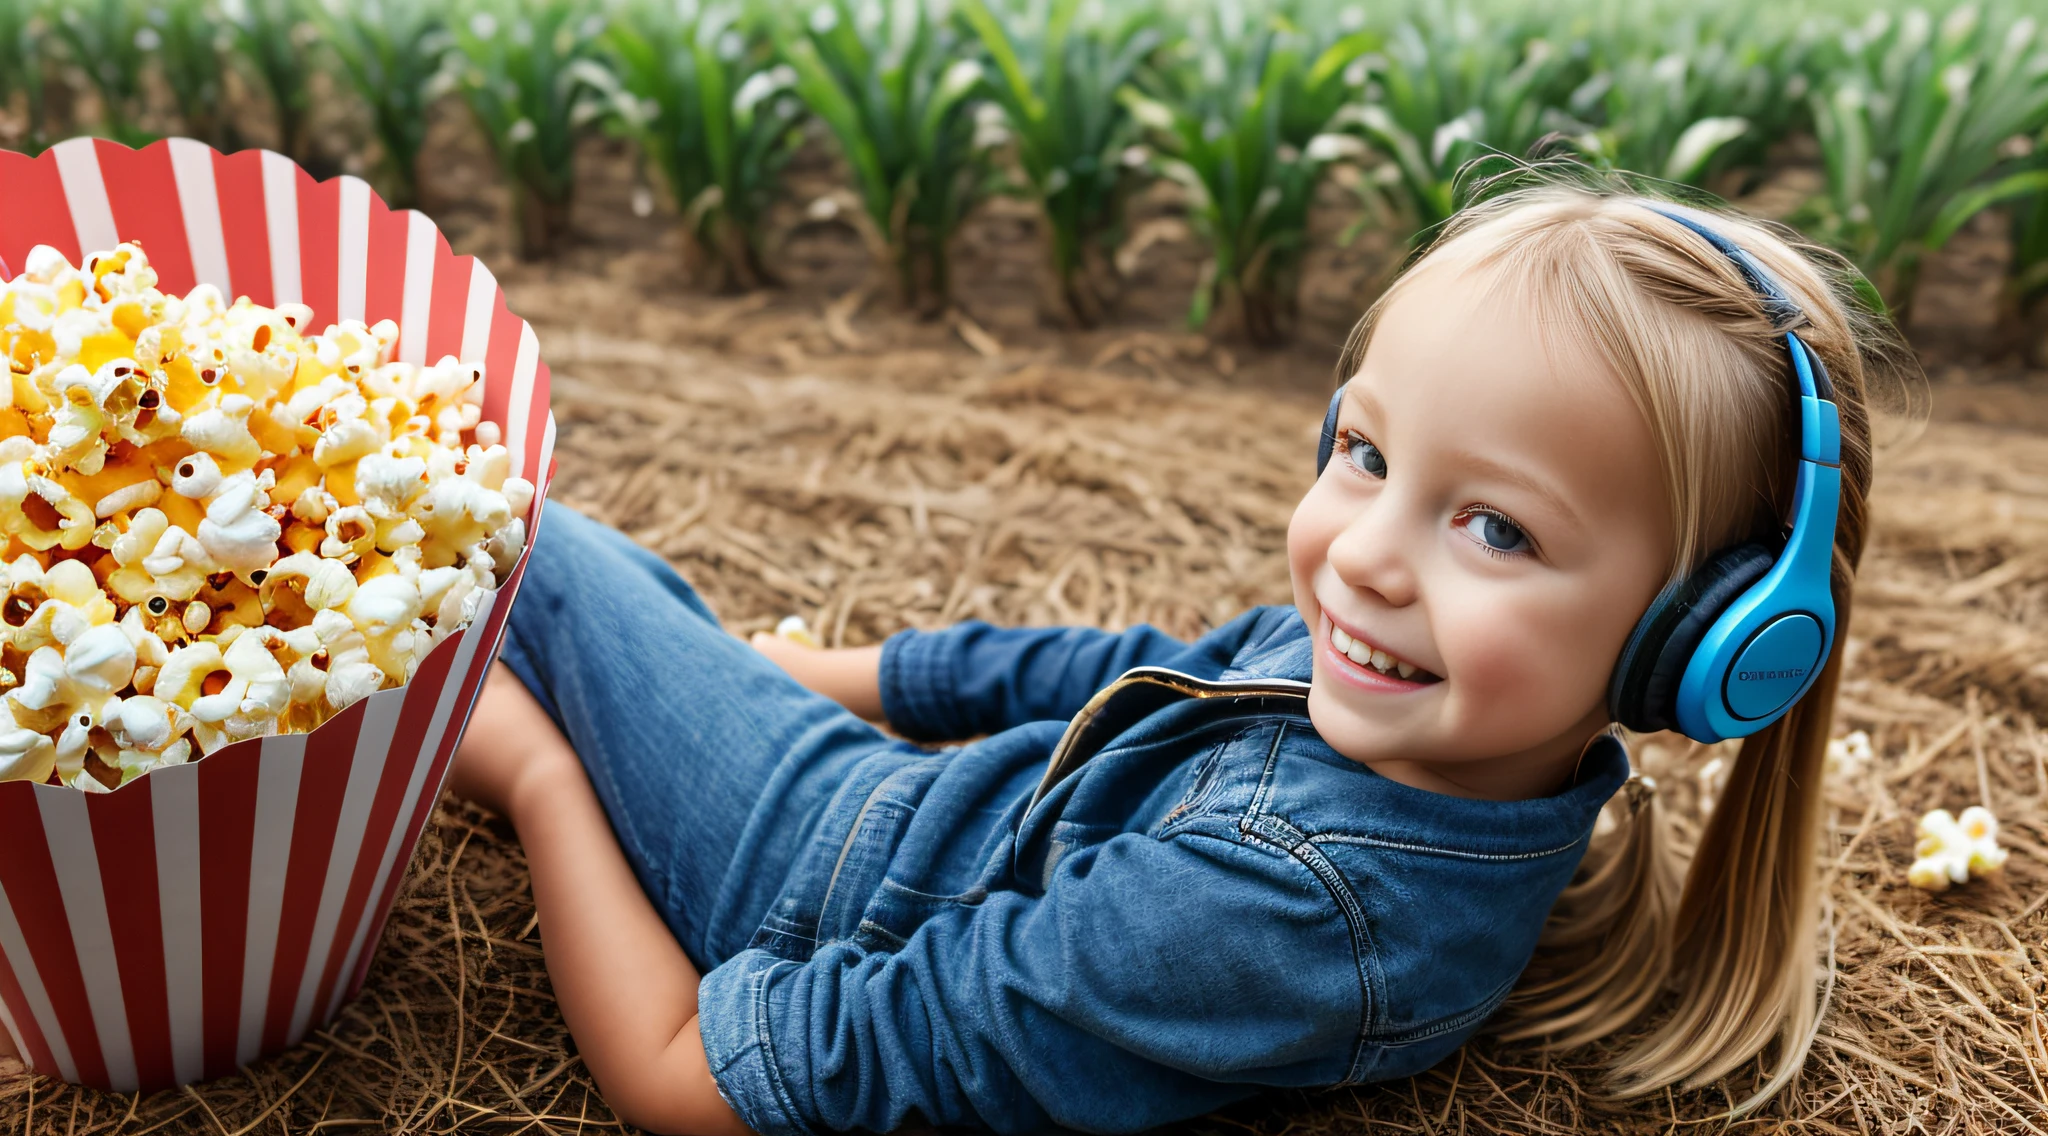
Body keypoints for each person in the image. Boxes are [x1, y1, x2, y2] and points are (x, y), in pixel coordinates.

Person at [446, 172, 1915, 1135]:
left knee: (499, 516)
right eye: (1363, 450)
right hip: (868, 806)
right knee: (602, 588)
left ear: (1707, 647)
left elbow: (684, 1081)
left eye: (1497, 529)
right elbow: (1131, 663)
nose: (1360, 554)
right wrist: (826, 668)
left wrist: (543, 782)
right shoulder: (1470, 751)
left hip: (809, 876)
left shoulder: (1273, 909)